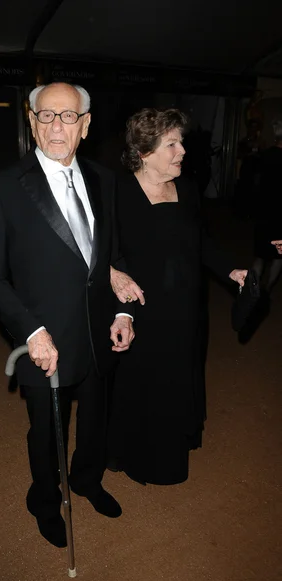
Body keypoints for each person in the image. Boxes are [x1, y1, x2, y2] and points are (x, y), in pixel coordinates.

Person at [0, 82, 135, 548]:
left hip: (98, 330)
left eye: (68, 117)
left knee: (94, 419)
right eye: (46, 116)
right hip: (44, 339)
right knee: (47, 432)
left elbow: (113, 256)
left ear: (85, 126)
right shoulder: (2, 188)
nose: (56, 126)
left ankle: (86, 479)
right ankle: (45, 498)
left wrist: (123, 310)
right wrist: (33, 331)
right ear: (31, 122)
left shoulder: (105, 180)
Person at [107, 108, 247, 486]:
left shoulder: (186, 187)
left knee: (177, 379)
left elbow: (201, 242)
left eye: (180, 141)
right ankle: (133, 454)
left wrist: (231, 269)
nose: (182, 150)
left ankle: (169, 456)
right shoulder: (118, 192)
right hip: (142, 309)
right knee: (141, 382)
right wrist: (114, 285)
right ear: (144, 151)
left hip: (186, 307)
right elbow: (104, 251)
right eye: (171, 144)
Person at [252, 120, 282, 294]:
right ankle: (267, 290)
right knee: (279, 255)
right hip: (279, 214)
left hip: (264, 212)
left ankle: (253, 291)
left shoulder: (264, 156)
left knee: (260, 255)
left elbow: (255, 182)